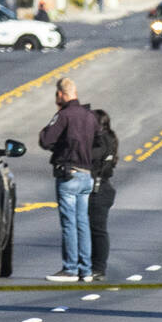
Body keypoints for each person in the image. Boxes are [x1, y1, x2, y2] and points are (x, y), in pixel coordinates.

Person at [39, 78, 98, 282]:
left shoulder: (64, 115)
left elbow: (45, 139)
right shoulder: (90, 116)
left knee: (69, 223)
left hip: (69, 174)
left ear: (61, 94)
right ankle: (86, 269)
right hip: (87, 173)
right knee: (83, 222)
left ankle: (70, 268)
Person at [88, 109, 119, 282]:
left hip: (99, 189)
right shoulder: (106, 139)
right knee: (92, 229)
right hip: (100, 188)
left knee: (97, 229)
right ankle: (91, 266)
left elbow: (92, 159)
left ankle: (98, 268)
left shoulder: (102, 141)